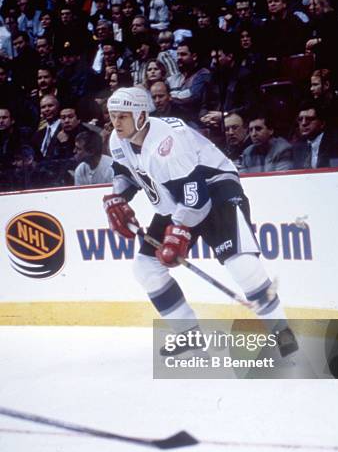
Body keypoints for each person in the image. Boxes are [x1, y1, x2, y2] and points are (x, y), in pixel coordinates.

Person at [103, 86, 298, 356]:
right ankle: (188, 334)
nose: (116, 123)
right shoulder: (118, 139)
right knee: (146, 268)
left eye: (122, 116)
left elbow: (198, 199)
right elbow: (125, 173)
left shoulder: (168, 142)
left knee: (241, 263)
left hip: (215, 188)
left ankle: (281, 330)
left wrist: (178, 231)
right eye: (112, 116)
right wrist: (118, 197)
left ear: (140, 115)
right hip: (177, 198)